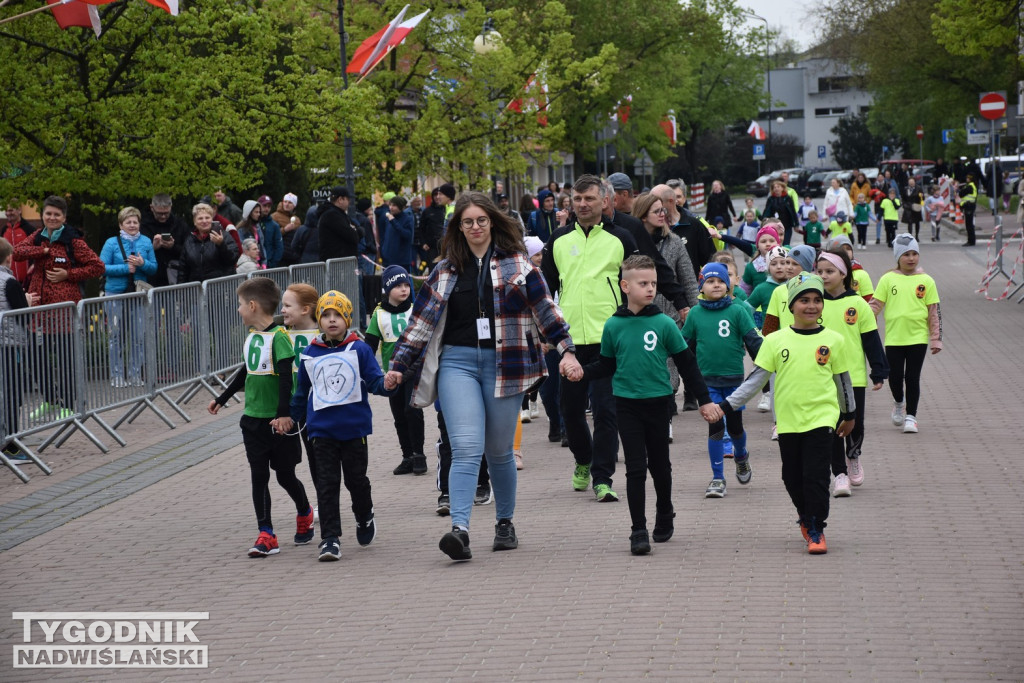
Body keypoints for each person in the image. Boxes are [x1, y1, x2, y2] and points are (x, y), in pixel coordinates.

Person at [386, 191, 576, 560]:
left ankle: (504, 522)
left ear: (492, 222)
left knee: (500, 451)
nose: (475, 227)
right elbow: (419, 325)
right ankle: (460, 529)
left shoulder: (517, 264)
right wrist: (397, 366)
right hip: (457, 364)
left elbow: (545, 309)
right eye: (467, 222)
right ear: (457, 227)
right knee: (466, 447)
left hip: (506, 362)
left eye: (481, 220)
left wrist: (566, 350)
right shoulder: (444, 270)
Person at [577, 255, 721, 554]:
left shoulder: (664, 323)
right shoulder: (613, 326)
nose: (650, 288)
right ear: (625, 286)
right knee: (635, 469)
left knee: (660, 466)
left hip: (659, 403)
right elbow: (605, 364)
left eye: (653, 283)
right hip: (626, 405)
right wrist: (582, 372)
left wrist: (705, 400)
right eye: (643, 283)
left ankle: (665, 511)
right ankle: (638, 529)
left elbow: (687, 364)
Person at [718, 274, 856, 554]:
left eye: (817, 300)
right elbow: (756, 380)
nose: (811, 306)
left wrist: (849, 414)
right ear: (791, 306)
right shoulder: (775, 340)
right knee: (791, 477)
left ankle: (817, 527)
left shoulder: (834, 340)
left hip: (823, 418)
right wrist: (725, 406)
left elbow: (844, 381)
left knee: (816, 475)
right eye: (804, 300)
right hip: (789, 421)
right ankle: (805, 516)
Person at [541, 176, 637, 503]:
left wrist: (631, 324)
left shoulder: (621, 238)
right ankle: (583, 460)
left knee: (606, 411)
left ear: (604, 201)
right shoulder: (557, 239)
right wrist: (545, 332)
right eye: (578, 198)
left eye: (589, 198)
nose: (583, 204)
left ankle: (603, 477)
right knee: (570, 412)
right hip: (568, 342)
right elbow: (545, 291)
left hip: (608, 339)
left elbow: (636, 283)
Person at [208, 278, 314, 558]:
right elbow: (246, 371)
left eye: (241, 305)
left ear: (253, 305)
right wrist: (223, 397)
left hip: (278, 421)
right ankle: (266, 533)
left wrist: (284, 415)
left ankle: (304, 511)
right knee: (259, 475)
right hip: (252, 419)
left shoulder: (279, 336)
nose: (239, 310)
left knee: (285, 475)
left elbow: (282, 379)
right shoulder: (253, 336)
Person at [292, 290, 393, 560]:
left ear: (348, 319)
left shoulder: (359, 348)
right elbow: (302, 391)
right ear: (319, 320)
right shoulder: (310, 352)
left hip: (353, 429)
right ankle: (330, 538)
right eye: (326, 315)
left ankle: (364, 515)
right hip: (321, 431)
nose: (332, 320)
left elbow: (374, 381)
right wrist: (290, 416)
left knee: (355, 481)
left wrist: (388, 385)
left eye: (338, 315)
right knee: (326, 484)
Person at [14, 195, 105, 417]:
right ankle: (50, 400)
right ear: (43, 215)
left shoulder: (73, 241)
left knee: (65, 359)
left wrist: (69, 274)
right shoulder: (37, 237)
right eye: (48, 214)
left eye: (57, 214)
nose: (52, 218)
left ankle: (68, 406)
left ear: (64, 217)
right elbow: (17, 253)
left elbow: (97, 266)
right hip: (38, 311)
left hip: (64, 311)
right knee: (36, 358)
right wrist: (43, 252)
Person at [682, 263, 761, 499]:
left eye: (720, 281)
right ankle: (718, 478)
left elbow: (752, 341)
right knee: (715, 428)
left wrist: (767, 361)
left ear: (728, 285)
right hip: (707, 383)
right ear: (701, 286)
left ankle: (741, 456)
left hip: (734, 381)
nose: (716, 285)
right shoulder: (695, 313)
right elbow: (684, 347)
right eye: (710, 281)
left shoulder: (737, 310)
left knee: (735, 428)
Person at [816, 250, 888, 495]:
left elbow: (870, 340)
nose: (824, 276)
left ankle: (853, 455)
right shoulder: (816, 303)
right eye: (820, 271)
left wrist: (879, 370)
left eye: (830, 271)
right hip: (824, 376)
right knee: (832, 425)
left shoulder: (858, 304)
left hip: (853, 376)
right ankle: (840, 474)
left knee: (854, 425)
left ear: (844, 274)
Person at [632, 192, 699, 423]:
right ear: (642, 216)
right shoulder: (630, 241)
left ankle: (667, 404)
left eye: (664, 210)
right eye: (657, 211)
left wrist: (694, 309)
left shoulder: (675, 242)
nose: (664, 214)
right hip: (638, 315)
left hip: (670, 314)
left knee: (669, 360)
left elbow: (688, 279)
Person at [870, 234, 942, 434]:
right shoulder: (887, 279)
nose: (911, 258)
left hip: (918, 338)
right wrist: (861, 320)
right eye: (906, 254)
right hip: (894, 338)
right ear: (898, 257)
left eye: (914, 254)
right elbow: (875, 306)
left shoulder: (926, 281)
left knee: (912, 376)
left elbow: (934, 312)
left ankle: (912, 416)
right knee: (894, 377)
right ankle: (899, 402)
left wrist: (935, 339)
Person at [365, 266, 425, 476]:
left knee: (412, 410)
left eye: (406, 285)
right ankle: (407, 455)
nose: (403, 289)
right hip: (391, 373)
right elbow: (370, 345)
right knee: (399, 415)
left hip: (414, 369)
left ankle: (419, 454)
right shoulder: (379, 314)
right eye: (398, 286)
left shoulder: (415, 309)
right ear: (387, 288)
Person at [99, 207, 157, 387]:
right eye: (128, 222)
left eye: (135, 222)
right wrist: (125, 269)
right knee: (115, 335)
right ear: (121, 224)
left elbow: (154, 268)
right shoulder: (111, 243)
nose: (132, 225)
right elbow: (101, 267)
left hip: (138, 293)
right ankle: (116, 375)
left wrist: (143, 263)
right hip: (115, 293)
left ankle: (135, 374)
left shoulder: (146, 241)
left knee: (138, 336)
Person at [280, 283, 322, 515]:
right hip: (290, 407)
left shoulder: (322, 334)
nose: (283, 310)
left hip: (316, 407)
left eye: (287, 305)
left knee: (318, 458)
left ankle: (325, 502)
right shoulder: (281, 334)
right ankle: (306, 505)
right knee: (294, 460)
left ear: (305, 309)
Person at [1, 237, 34, 461]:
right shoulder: (9, 282)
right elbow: (22, 314)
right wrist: (28, 302)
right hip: (9, 344)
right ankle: (9, 443)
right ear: (10, 258)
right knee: (12, 393)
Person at [139, 193, 190, 286]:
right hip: (151, 278)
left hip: (174, 276)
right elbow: (136, 252)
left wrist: (173, 247)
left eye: (166, 213)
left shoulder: (180, 224)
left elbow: (189, 251)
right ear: (151, 208)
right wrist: (152, 248)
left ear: (171, 207)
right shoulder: (143, 225)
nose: (163, 216)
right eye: (159, 213)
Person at [178, 203, 236, 283]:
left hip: (220, 287)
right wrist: (181, 290)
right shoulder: (189, 241)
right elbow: (183, 269)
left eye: (207, 218)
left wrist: (221, 244)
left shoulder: (224, 235)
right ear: (194, 222)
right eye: (200, 218)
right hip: (197, 290)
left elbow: (232, 259)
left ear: (212, 219)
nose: (204, 221)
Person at [318, 186, 362, 262]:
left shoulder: (340, 214)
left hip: (340, 262)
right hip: (337, 263)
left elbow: (358, 230)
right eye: (348, 199)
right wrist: (355, 231)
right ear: (340, 200)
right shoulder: (332, 215)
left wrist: (356, 231)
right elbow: (352, 236)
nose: (349, 202)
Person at [740, 224, 781, 295]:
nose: (768, 244)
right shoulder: (751, 267)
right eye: (763, 241)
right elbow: (745, 291)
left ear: (778, 244)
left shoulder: (786, 262)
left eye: (771, 241)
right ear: (757, 246)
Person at [2, 202, 33, 285]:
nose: (8, 213)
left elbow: (37, 249)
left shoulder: (29, 229)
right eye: (6, 211)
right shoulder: (4, 230)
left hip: (27, 280)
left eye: (11, 210)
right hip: (8, 280)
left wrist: (34, 265)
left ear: (19, 210)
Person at [381, 196, 415, 271]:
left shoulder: (407, 218)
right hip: (388, 260)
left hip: (401, 261)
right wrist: (383, 252)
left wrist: (394, 221)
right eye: (390, 205)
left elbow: (407, 236)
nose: (391, 208)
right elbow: (385, 237)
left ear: (401, 207)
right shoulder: (388, 219)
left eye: (394, 205)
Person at [764, 180, 799, 246]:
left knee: (786, 244)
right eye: (774, 187)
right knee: (776, 243)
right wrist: (765, 219)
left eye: (778, 187)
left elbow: (793, 211)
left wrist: (796, 224)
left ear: (782, 188)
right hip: (775, 226)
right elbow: (767, 211)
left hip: (787, 226)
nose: (776, 188)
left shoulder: (787, 198)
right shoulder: (771, 199)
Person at [256, 195, 284, 268]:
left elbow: (279, 247)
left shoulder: (274, 226)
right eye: (264, 206)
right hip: (255, 263)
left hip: (269, 264)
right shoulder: (254, 223)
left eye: (269, 206)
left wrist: (272, 263)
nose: (267, 209)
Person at [959, 174, 978, 246]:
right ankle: (971, 240)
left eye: (968, 178)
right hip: (970, 205)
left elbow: (961, 194)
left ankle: (971, 241)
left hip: (969, 206)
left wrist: (961, 189)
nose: (966, 179)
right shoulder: (972, 186)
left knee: (969, 225)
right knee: (969, 224)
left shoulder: (969, 186)